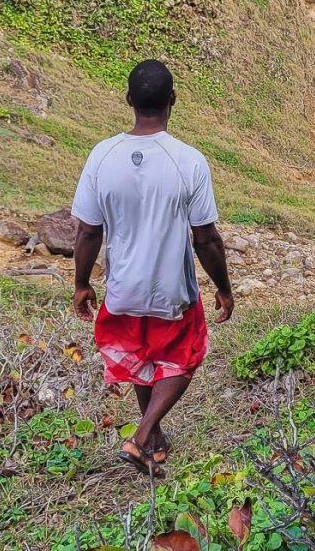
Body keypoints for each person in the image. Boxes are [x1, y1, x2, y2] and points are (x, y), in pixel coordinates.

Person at [71, 59, 234, 475]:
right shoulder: (189, 161)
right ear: (172, 101)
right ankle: (142, 436)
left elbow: (88, 231)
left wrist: (82, 283)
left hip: (123, 286)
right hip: (171, 289)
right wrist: (223, 286)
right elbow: (205, 237)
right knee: (186, 357)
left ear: (128, 100)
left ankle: (155, 440)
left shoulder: (101, 155)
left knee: (145, 359)